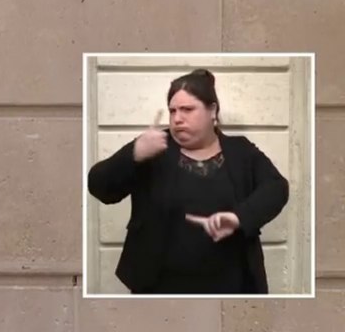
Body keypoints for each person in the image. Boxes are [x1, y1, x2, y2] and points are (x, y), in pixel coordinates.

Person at [87, 68, 289, 294]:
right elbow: (99, 187)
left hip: (231, 286)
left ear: (212, 110)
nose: (177, 118)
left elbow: (277, 188)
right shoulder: (154, 146)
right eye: (172, 111)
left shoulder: (240, 151)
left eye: (187, 109)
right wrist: (133, 153)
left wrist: (239, 217)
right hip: (159, 288)